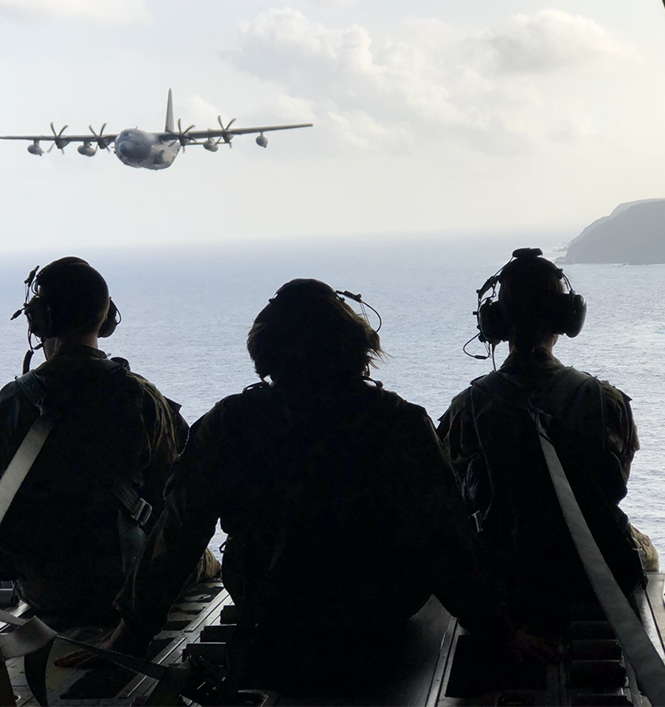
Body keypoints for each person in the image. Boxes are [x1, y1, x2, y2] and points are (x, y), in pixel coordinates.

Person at [96, 278, 532, 695]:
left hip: (272, 640)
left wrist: (129, 635)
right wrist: (500, 632)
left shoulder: (229, 424)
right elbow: (447, 541)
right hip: (377, 643)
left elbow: (179, 534)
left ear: (265, 352)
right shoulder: (399, 422)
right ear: (356, 347)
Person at [0, 257, 219, 625]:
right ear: (105, 320)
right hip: (130, 590)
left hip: (48, 594)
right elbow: (176, 505)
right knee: (208, 563)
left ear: (39, 319)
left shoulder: (10, 404)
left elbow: (0, 511)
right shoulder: (140, 397)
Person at [438, 248, 655, 625]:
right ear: (566, 318)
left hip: (508, 580)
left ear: (494, 323)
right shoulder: (606, 401)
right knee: (647, 553)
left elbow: (455, 497)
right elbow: (614, 487)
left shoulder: (467, 408)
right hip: (592, 575)